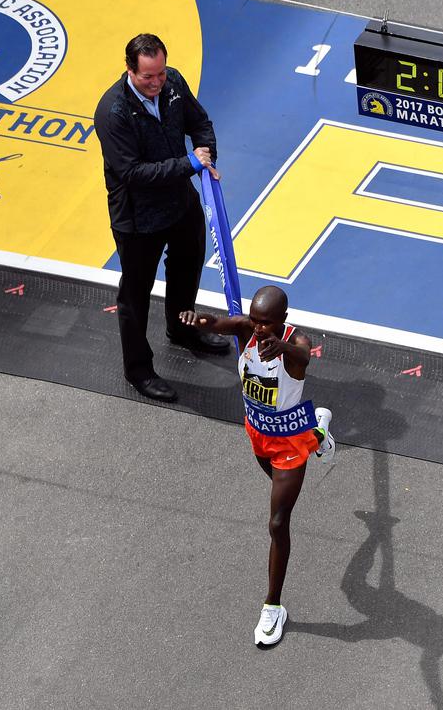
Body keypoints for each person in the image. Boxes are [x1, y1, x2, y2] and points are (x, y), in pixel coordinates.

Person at [179, 286, 335, 646]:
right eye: (255, 320)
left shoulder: (297, 344)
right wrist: (196, 319)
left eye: (266, 323)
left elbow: (303, 357)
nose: (259, 328)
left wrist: (282, 348)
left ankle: (273, 606)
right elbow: (216, 322)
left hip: (288, 445)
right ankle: (320, 430)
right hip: (259, 435)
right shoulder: (247, 330)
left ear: (282, 320)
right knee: (276, 502)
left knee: (278, 522)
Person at [94, 33, 228, 404]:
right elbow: (133, 173)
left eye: (161, 74)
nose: (156, 84)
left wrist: (207, 156)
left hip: (180, 201)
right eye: (148, 77)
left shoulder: (173, 85)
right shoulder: (113, 112)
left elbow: (200, 123)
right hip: (137, 218)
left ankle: (182, 329)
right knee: (134, 295)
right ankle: (138, 370)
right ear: (129, 70)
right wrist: (189, 164)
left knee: (188, 266)